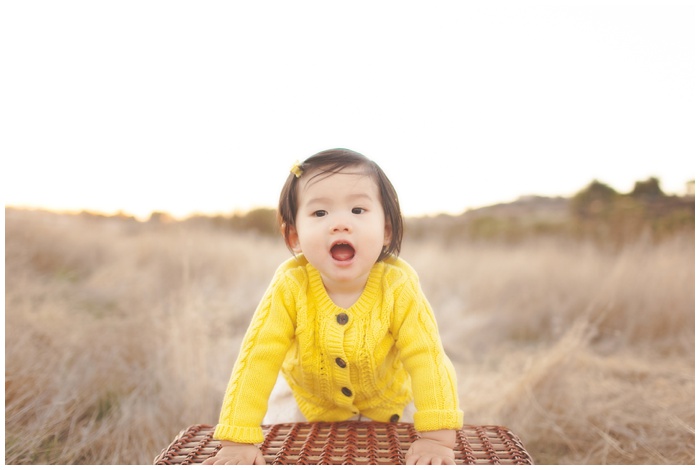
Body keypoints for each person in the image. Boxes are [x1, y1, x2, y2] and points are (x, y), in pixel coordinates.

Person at [203, 149, 463, 465]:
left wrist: (436, 440)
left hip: (388, 408)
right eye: (320, 214)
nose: (340, 224)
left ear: (386, 231)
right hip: (306, 405)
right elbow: (258, 359)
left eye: (357, 209)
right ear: (294, 235)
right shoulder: (290, 286)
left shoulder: (398, 287)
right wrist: (237, 440)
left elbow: (427, 359)